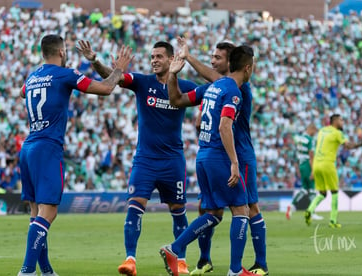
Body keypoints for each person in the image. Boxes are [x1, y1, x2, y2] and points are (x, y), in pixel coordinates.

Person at [17, 35, 133, 276]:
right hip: (47, 147)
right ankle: (27, 271)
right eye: (66, 51)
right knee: (49, 213)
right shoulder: (65, 74)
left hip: (28, 147)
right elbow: (106, 88)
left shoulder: (33, 76)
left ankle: (46, 270)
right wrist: (119, 69)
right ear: (61, 52)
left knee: (36, 213)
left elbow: (22, 92)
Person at [80, 40, 197, 276]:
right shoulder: (143, 83)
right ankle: (130, 260)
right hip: (145, 160)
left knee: (178, 210)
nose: (154, 60)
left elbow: (210, 95)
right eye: (152, 56)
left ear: (172, 59)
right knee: (135, 206)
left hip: (173, 161)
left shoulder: (185, 86)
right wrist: (95, 61)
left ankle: (181, 262)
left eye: (159, 56)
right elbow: (114, 78)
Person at [160, 45, 255, 276]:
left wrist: (176, 70)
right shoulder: (233, 91)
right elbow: (225, 125)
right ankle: (235, 270)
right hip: (218, 156)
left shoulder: (214, 87)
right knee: (241, 211)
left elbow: (178, 100)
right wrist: (234, 162)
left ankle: (175, 247)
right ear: (248, 68)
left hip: (203, 156)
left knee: (212, 214)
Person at [178, 37, 268, 276]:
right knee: (207, 209)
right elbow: (186, 102)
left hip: (239, 155)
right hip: (218, 156)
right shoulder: (219, 88)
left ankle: (260, 264)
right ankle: (205, 259)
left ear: (231, 63)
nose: (212, 61)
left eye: (218, 57)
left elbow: (214, 80)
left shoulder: (237, 86)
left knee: (250, 207)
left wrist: (188, 57)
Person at [305, 114, 362, 228]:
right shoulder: (337, 133)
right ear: (335, 121)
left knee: (322, 193)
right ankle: (333, 220)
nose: (343, 122)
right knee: (334, 192)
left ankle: (310, 210)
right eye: (341, 120)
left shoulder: (322, 130)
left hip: (317, 164)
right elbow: (348, 146)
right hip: (327, 164)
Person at [286, 123, 323, 221]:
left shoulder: (300, 139)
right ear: (311, 129)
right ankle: (312, 212)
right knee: (312, 189)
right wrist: (313, 170)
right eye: (314, 131)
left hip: (301, 165)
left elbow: (298, 155)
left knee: (304, 189)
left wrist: (298, 168)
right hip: (307, 164)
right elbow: (311, 155)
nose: (314, 134)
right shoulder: (310, 140)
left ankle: (292, 205)